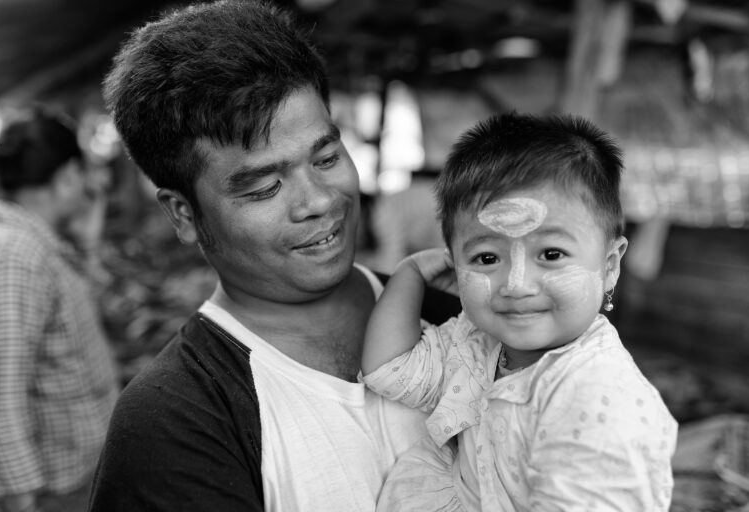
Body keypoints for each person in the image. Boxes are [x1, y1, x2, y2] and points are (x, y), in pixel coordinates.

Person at [87, 1, 460, 511]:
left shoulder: (455, 315)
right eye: (264, 187)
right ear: (183, 214)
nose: (321, 201)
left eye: (327, 157)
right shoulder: (175, 423)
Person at [361, 112, 679, 511]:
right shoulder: (474, 345)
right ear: (456, 266)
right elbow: (388, 370)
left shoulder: (598, 397)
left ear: (610, 266)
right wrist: (409, 273)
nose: (516, 284)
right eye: (487, 257)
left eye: (551, 254)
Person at [0, 107, 120, 512]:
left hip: (71, 480)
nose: (88, 187)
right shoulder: (16, 252)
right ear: (66, 177)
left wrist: (89, 234)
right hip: (51, 493)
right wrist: (22, 497)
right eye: (83, 175)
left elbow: (82, 319)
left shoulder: (35, 243)